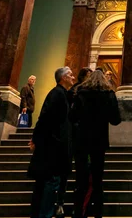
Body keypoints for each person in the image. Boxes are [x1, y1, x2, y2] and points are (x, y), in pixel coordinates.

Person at [70, 68, 121, 218]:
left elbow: (72, 117)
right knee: (98, 181)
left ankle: (78, 213)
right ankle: (98, 214)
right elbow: (115, 120)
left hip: (82, 140)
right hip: (99, 141)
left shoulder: (81, 93)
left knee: (80, 181)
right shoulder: (109, 94)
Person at [28, 67, 75, 218]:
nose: (73, 77)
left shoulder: (63, 95)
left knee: (48, 185)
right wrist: (35, 139)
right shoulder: (57, 94)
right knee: (49, 185)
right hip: (53, 149)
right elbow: (45, 119)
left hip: (55, 148)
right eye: (70, 75)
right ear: (62, 78)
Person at [56, 67, 92, 218]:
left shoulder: (73, 91)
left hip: (77, 137)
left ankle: (64, 204)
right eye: (89, 76)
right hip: (74, 137)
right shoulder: (74, 92)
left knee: (74, 172)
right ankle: (62, 203)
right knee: (67, 171)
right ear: (84, 77)